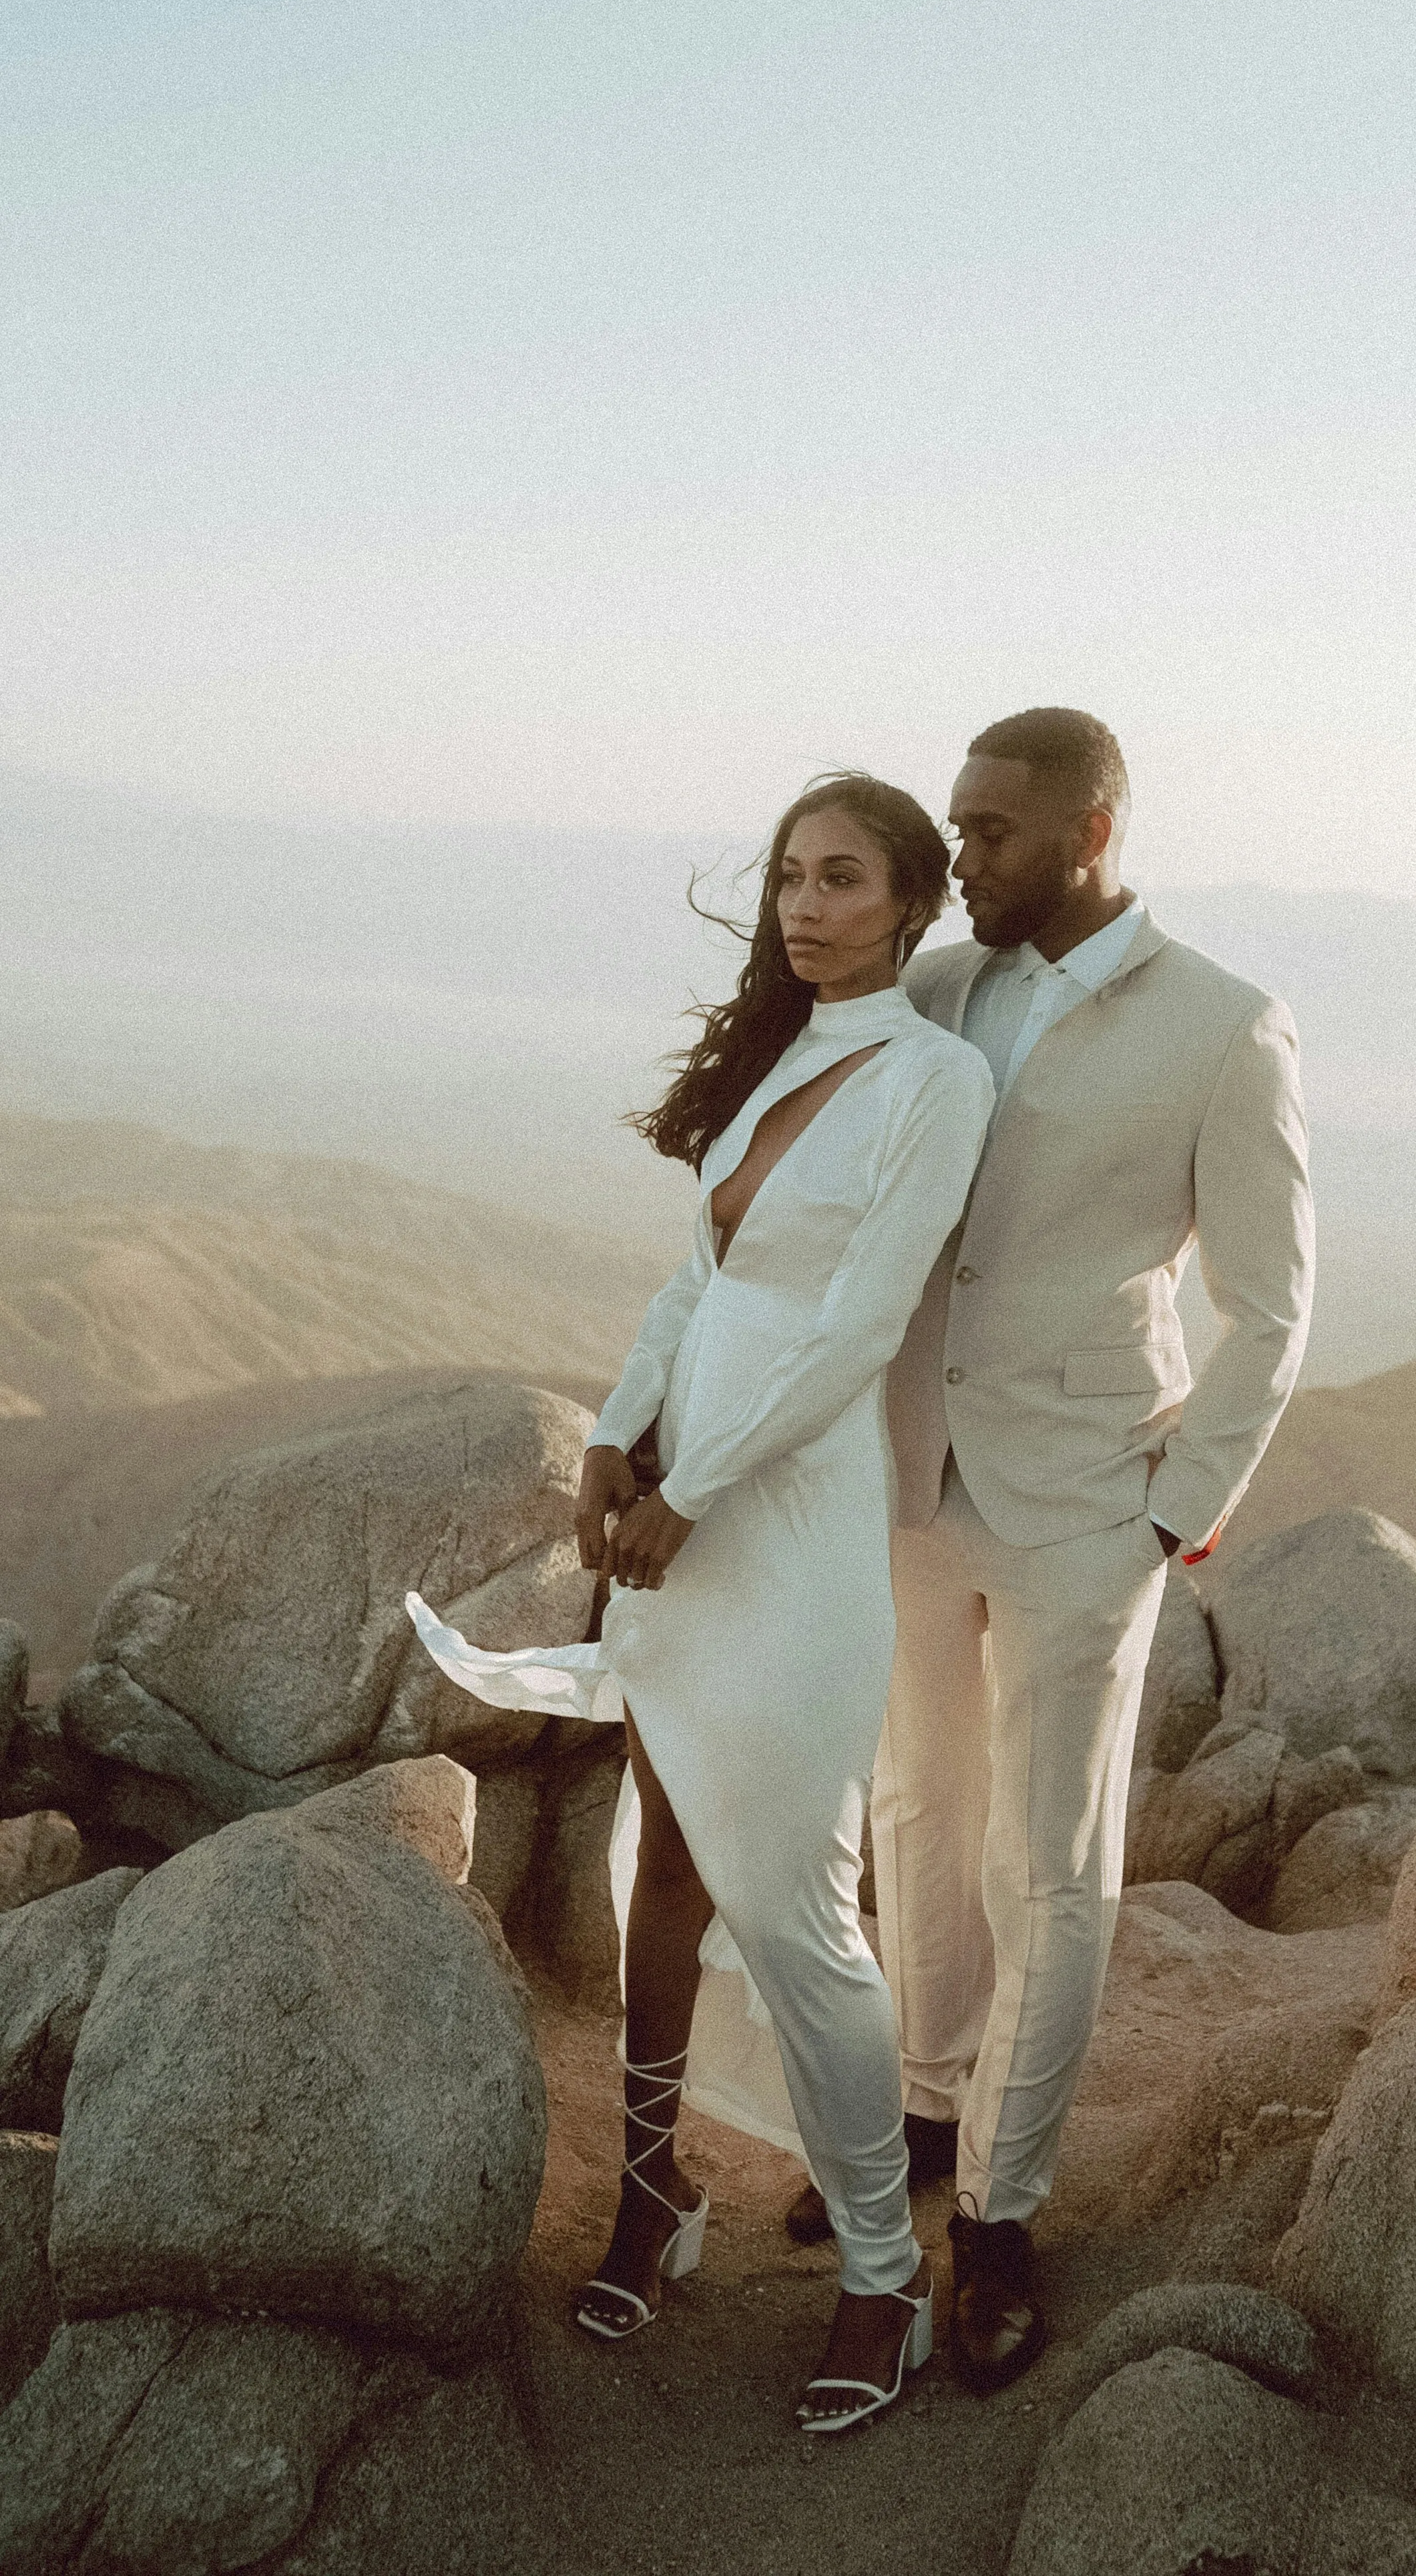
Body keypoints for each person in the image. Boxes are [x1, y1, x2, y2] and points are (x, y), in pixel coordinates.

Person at [407, 773, 993, 2436]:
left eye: (843, 879)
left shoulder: (936, 1084)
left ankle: (887, 2275)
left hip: (788, 1528)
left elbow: (852, 1329)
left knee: (802, 1906)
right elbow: (706, 1280)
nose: (806, 907)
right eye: (790, 878)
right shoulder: (785, 1058)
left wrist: (693, 1486)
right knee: (661, 1859)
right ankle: (653, 2192)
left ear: (911, 899)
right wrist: (612, 1431)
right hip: (680, 1500)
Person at [788, 708, 1314, 2394]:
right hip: (914, 1479)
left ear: (1088, 832)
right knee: (915, 1809)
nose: (964, 859)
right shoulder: (937, 989)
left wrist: (1182, 1502)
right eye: (952, 825)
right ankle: (930, 2113)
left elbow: (1274, 1301)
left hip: (1096, 1495)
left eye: (993, 832)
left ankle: (1002, 2217)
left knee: (1054, 1861)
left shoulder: (1227, 1025)